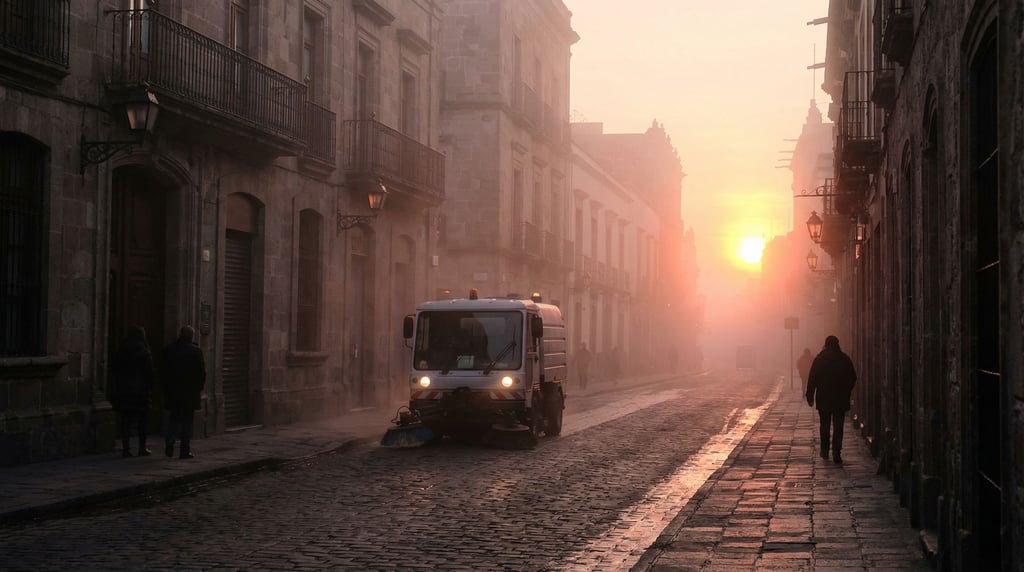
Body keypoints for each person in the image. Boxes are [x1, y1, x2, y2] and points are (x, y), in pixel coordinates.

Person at [805, 335, 857, 464]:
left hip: (824, 398)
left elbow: (812, 379)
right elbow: (853, 377)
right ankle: (836, 453)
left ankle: (824, 451)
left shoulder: (820, 359)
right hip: (840, 399)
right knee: (838, 426)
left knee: (825, 425)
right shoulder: (844, 359)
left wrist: (810, 395)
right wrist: (847, 391)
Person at [162, 326, 206, 459]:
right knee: (187, 421)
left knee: (174, 419)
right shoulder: (196, 351)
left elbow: (163, 371)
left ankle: (169, 444)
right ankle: (184, 450)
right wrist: (198, 389)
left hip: (174, 392)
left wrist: (167, 388)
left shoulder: (169, 350)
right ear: (192, 336)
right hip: (190, 393)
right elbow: (201, 374)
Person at [110, 326, 155, 457]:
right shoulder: (145, 352)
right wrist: (150, 387)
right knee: (143, 421)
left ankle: (126, 448)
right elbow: (150, 372)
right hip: (141, 392)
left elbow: (114, 369)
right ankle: (142, 448)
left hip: (124, 390)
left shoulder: (122, 350)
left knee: (126, 421)